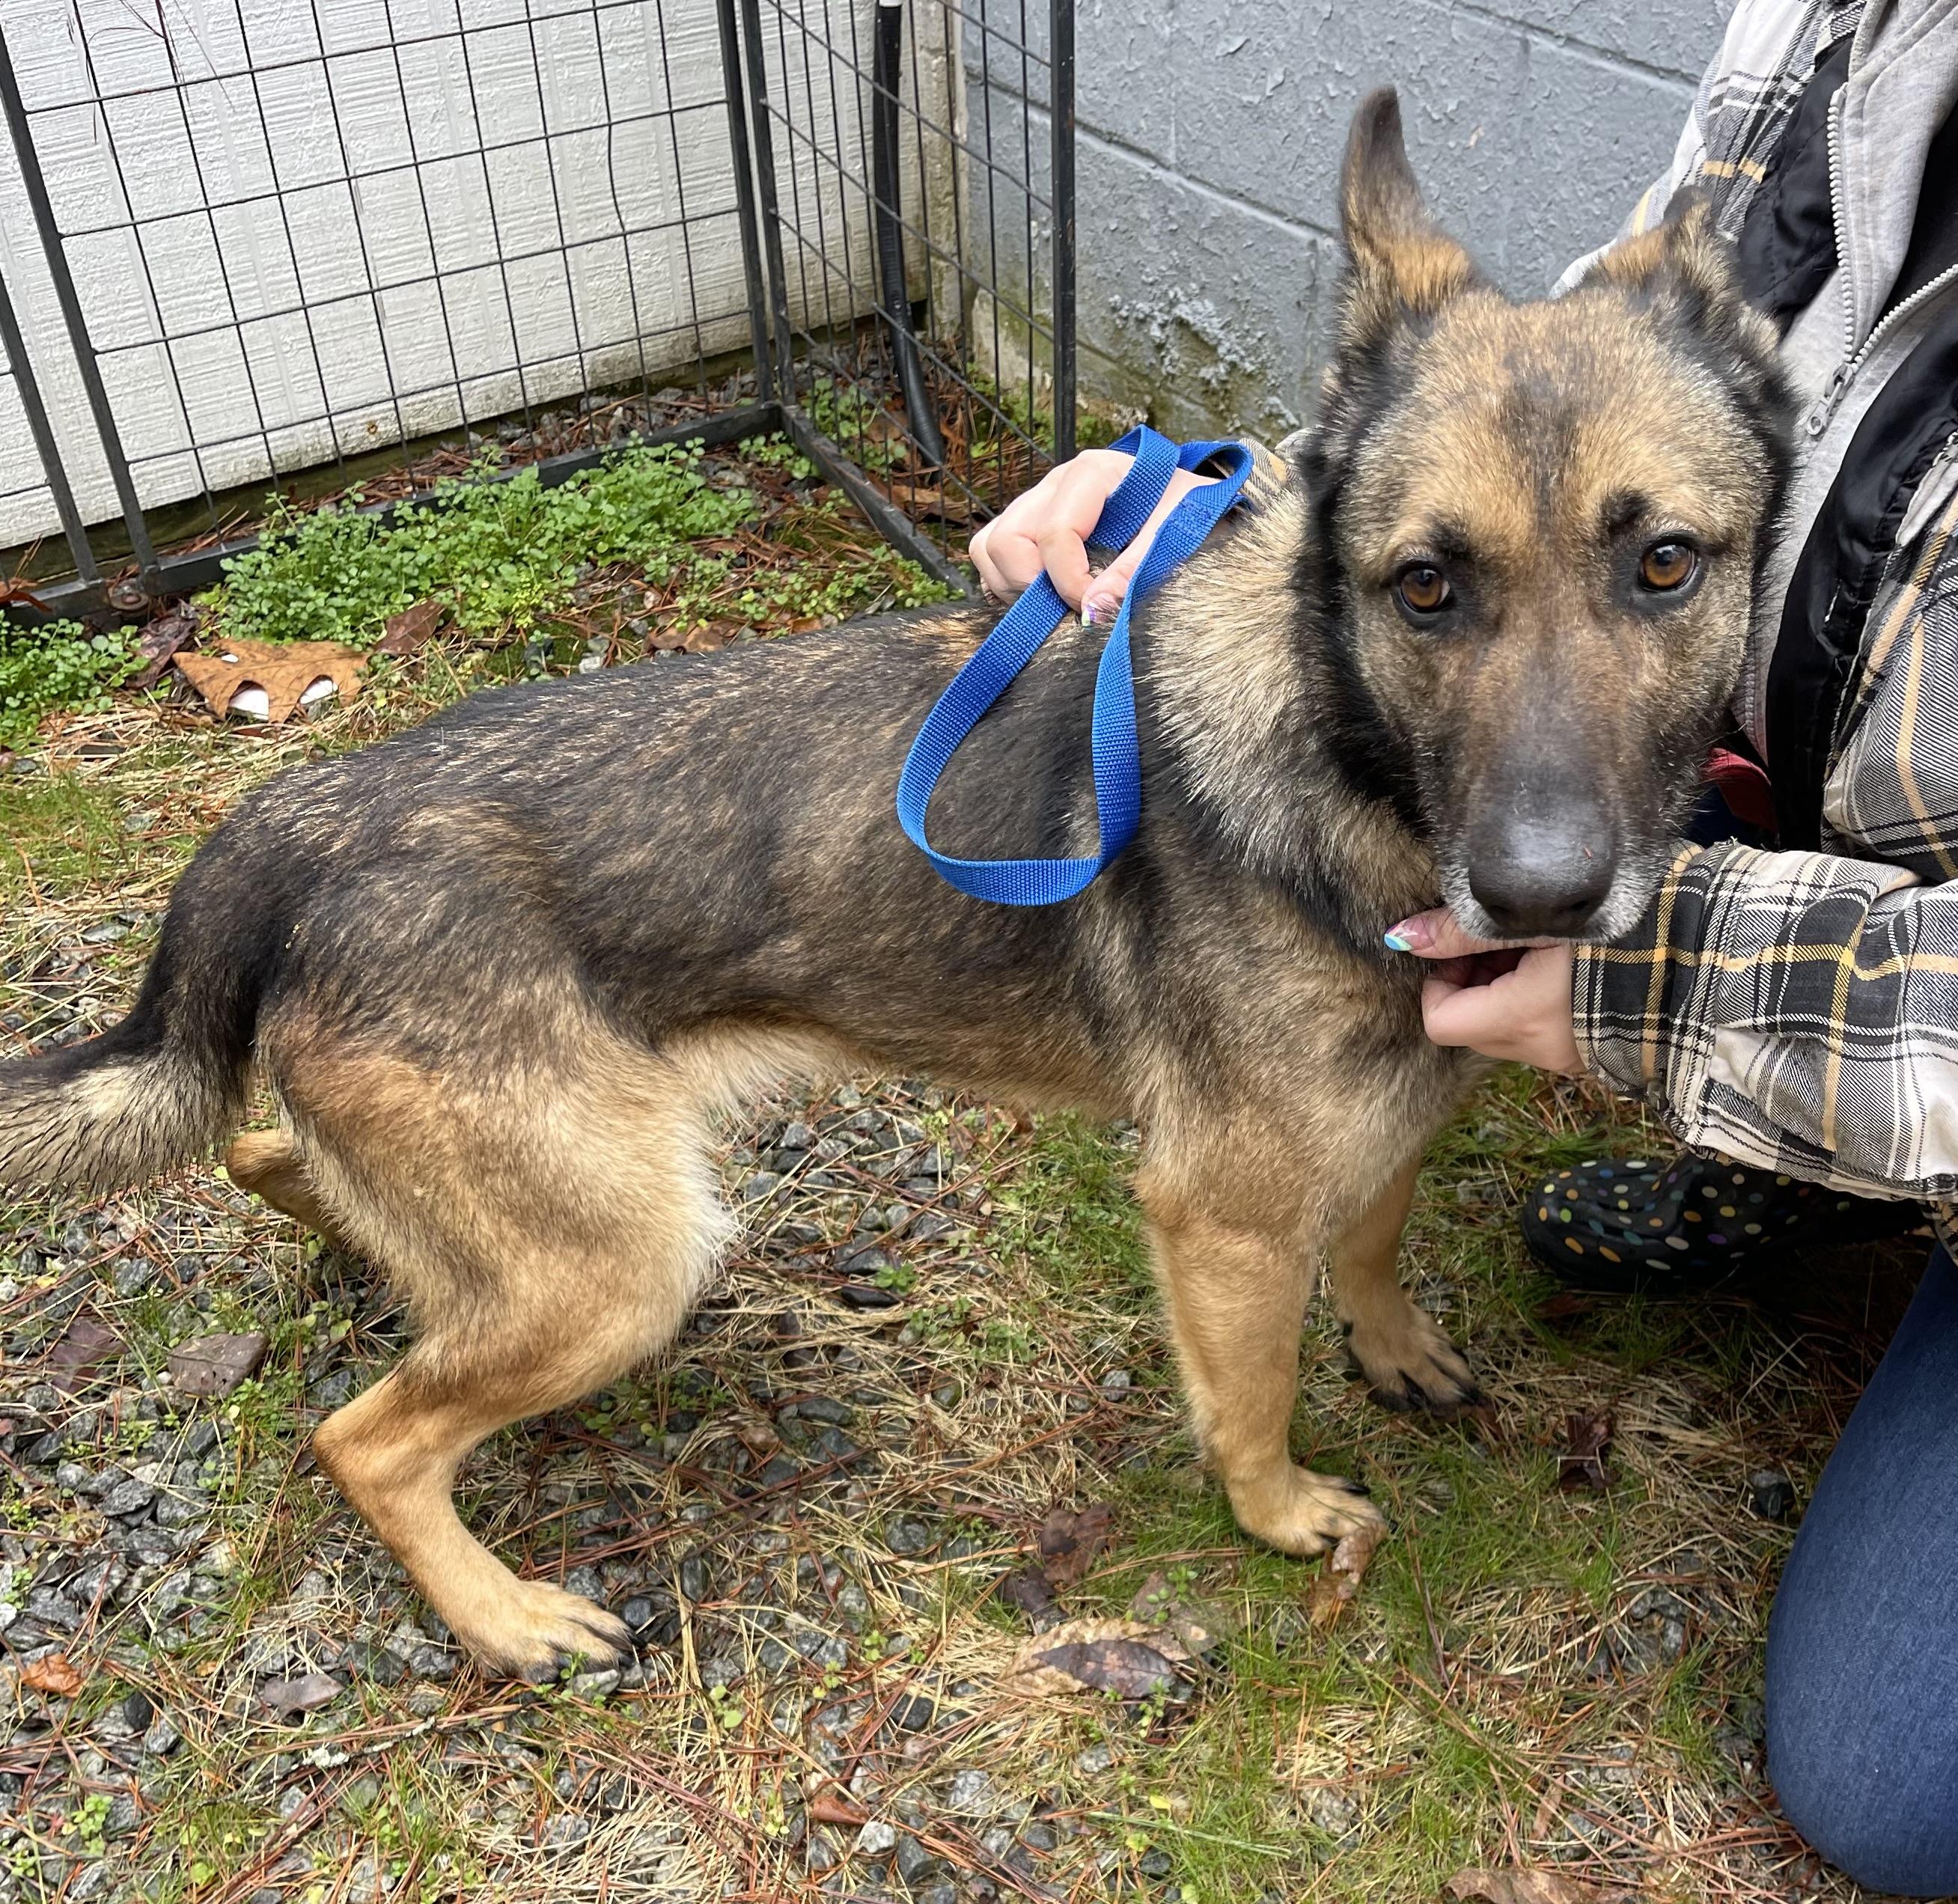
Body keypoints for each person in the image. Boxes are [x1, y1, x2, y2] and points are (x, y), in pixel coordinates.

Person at [966, 1, 1958, 1891]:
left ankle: (1812, 1129)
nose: (1532, 833)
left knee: (1891, 1775)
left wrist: (1668, 984)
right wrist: (1241, 498)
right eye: (1445, 599)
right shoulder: (1860, 24)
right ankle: (1795, 1168)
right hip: (1849, 808)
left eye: (1657, 565)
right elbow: (1521, 390)